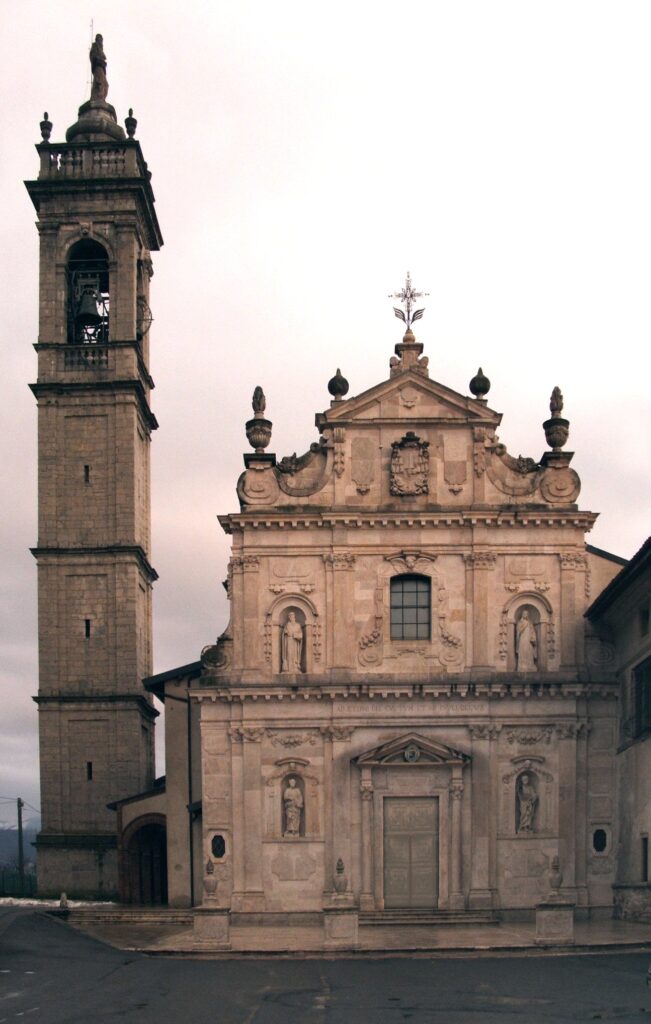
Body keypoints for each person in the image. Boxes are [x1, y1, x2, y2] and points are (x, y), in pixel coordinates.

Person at [90, 34, 108, 102]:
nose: (101, 41)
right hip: (98, 67)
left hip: (102, 68)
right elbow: (93, 56)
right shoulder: (95, 46)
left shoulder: (101, 49)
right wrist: (98, 59)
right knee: (99, 83)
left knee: (106, 85)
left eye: (101, 39)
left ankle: (101, 98)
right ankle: (97, 98)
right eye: (100, 39)